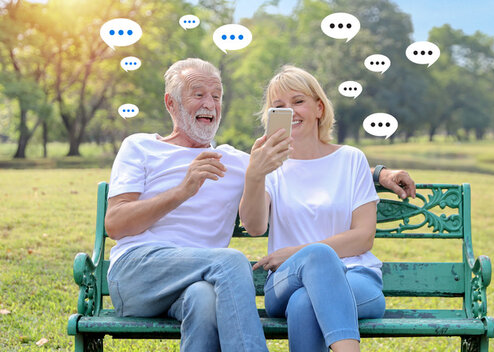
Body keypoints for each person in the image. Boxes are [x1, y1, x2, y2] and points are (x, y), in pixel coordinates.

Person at [103, 58, 415, 351]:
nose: (209, 103)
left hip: (198, 282)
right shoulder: (140, 146)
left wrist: (380, 173)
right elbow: (115, 224)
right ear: (171, 103)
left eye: (216, 96)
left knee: (203, 301)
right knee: (230, 261)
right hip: (139, 271)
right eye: (198, 94)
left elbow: (314, 164)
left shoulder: (238, 162)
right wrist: (182, 190)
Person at [240, 65, 386, 352]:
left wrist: (297, 253)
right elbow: (255, 227)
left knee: (304, 303)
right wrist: (255, 174)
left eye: (298, 101)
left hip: (355, 276)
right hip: (285, 281)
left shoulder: (351, 159)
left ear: (319, 108)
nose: (290, 111)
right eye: (279, 107)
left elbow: (364, 237)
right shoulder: (269, 166)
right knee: (315, 261)